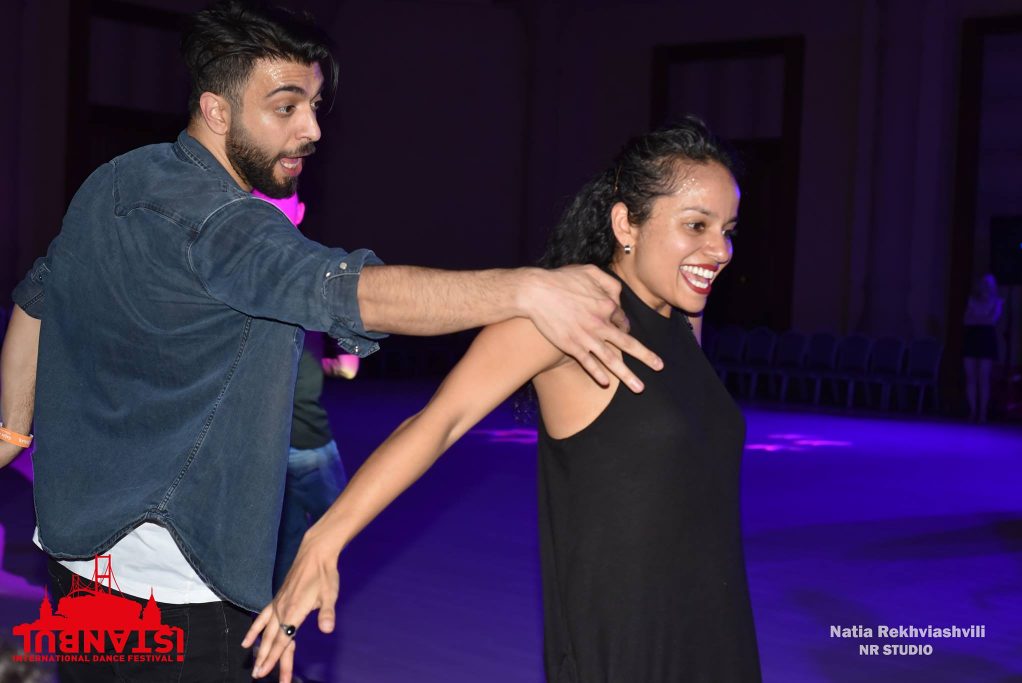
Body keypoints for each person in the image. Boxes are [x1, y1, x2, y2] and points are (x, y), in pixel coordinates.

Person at [0, 2, 663, 681]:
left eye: (315, 106)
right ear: (217, 111)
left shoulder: (115, 181)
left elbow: (34, 302)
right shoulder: (232, 228)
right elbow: (354, 292)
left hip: (77, 559)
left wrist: (13, 432)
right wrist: (525, 289)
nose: (312, 129)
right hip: (180, 589)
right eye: (286, 107)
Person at [247, 118, 762, 682]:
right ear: (626, 224)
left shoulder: (685, 320)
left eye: (727, 229)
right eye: (696, 225)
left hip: (718, 631)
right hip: (628, 645)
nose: (721, 250)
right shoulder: (567, 316)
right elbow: (438, 423)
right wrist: (323, 541)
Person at [252, 187, 359, 593]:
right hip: (267, 446)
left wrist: (342, 355)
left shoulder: (317, 268)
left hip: (307, 442)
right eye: (265, 204)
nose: (275, 212)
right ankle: (279, 614)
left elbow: (348, 315)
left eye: (282, 205)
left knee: (334, 530)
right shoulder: (245, 269)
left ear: (300, 211)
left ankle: (288, 608)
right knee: (285, 544)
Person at [962, 273, 1003, 422]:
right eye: (983, 283)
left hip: (986, 338)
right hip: (972, 337)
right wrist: (981, 318)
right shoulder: (972, 300)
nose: (985, 286)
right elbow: (966, 320)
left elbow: (992, 321)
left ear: (993, 286)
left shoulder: (997, 302)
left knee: (983, 377)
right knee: (970, 376)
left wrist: (977, 318)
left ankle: (982, 412)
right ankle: (972, 411)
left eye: (988, 283)